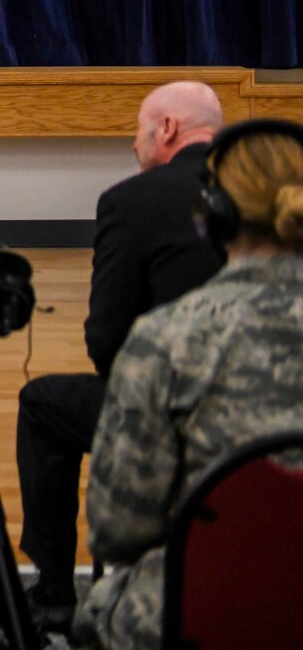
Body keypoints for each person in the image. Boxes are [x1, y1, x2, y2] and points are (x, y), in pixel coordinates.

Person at [82, 119, 303, 650]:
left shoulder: (167, 339)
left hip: (203, 610)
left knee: (101, 610)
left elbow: (117, 529)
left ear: (213, 217)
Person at [13, 82, 223, 634]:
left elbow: (106, 343)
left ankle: (56, 590)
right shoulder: (272, 194)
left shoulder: (132, 201)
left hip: (169, 413)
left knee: (42, 404)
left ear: (168, 130)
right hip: (278, 414)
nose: (134, 144)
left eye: (137, 129)